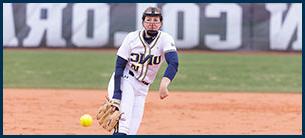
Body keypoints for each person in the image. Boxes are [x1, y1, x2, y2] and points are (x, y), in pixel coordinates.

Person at [106, 7, 179, 135]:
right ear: (143, 22)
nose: (152, 23)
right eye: (148, 19)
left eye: (156, 20)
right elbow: (119, 67)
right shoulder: (132, 38)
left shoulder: (165, 39)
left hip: (142, 89)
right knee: (123, 126)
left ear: (161, 23)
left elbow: (174, 62)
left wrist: (164, 83)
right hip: (126, 80)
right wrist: (117, 95)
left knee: (132, 131)